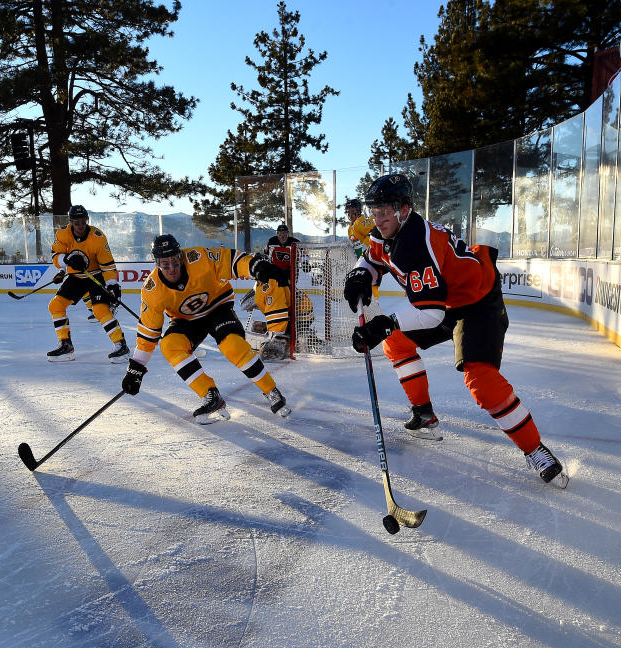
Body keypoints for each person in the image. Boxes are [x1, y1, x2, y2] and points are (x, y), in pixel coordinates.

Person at [342, 173, 567, 487]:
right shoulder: (387, 230)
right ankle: (423, 413)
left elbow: (430, 313)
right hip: (446, 299)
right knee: (396, 343)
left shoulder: (416, 245)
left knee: (482, 382)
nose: (378, 219)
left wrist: (386, 322)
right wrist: (360, 274)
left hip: (477, 300)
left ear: (404, 209)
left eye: (384, 211)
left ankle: (535, 450)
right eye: (374, 212)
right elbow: (374, 258)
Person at [120, 234, 292, 423]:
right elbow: (147, 335)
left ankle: (271, 391)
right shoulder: (152, 290)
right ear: (156, 263)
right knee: (169, 345)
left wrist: (253, 266)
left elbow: (231, 261)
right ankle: (211, 395)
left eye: (175, 261)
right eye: (165, 263)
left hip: (218, 308)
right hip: (186, 320)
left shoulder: (199, 257)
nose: (171, 268)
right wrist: (134, 370)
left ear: (181, 256)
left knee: (233, 346)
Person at [46, 204, 128, 362]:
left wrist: (112, 284)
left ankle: (121, 345)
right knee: (55, 306)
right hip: (76, 276)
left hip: (96, 276)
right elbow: (56, 255)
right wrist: (66, 260)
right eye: (77, 223)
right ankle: (65, 345)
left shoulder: (98, 237)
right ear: (71, 222)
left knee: (99, 309)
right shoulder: (63, 233)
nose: (81, 226)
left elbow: (108, 265)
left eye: (83, 222)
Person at [242, 224, 321, 357]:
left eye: (284, 233)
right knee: (279, 303)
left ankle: (288, 334)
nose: (282, 236)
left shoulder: (294, 243)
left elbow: (303, 254)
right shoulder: (272, 242)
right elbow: (265, 255)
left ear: (288, 233)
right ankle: (281, 332)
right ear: (277, 234)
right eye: (280, 233)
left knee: (285, 302)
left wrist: (305, 262)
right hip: (274, 277)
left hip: (289, 277)